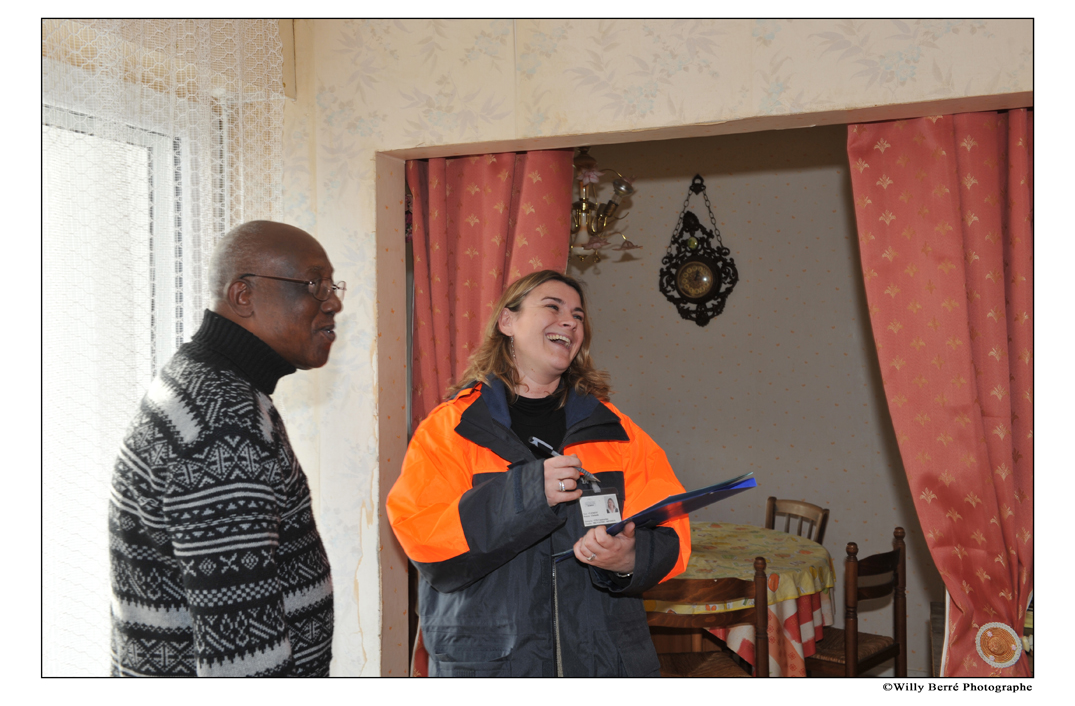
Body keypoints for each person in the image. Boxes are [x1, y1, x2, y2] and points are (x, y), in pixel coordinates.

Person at [387, 270, 691, 677]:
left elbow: (672, 533)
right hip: (492, 667)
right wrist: (528, 494)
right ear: (507, 322)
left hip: (603, 663)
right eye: (553, 307)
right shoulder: (450, 429)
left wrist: (631, 557)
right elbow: (427, 543)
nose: (570, 321)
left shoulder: (618, 432)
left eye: (579, 316)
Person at [108, 221, 343, 676]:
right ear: (243, 296)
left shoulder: (205, 385)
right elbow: (242, 659)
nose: (333, 301)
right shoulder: (223, 425)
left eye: (332, 285)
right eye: (314, 284)